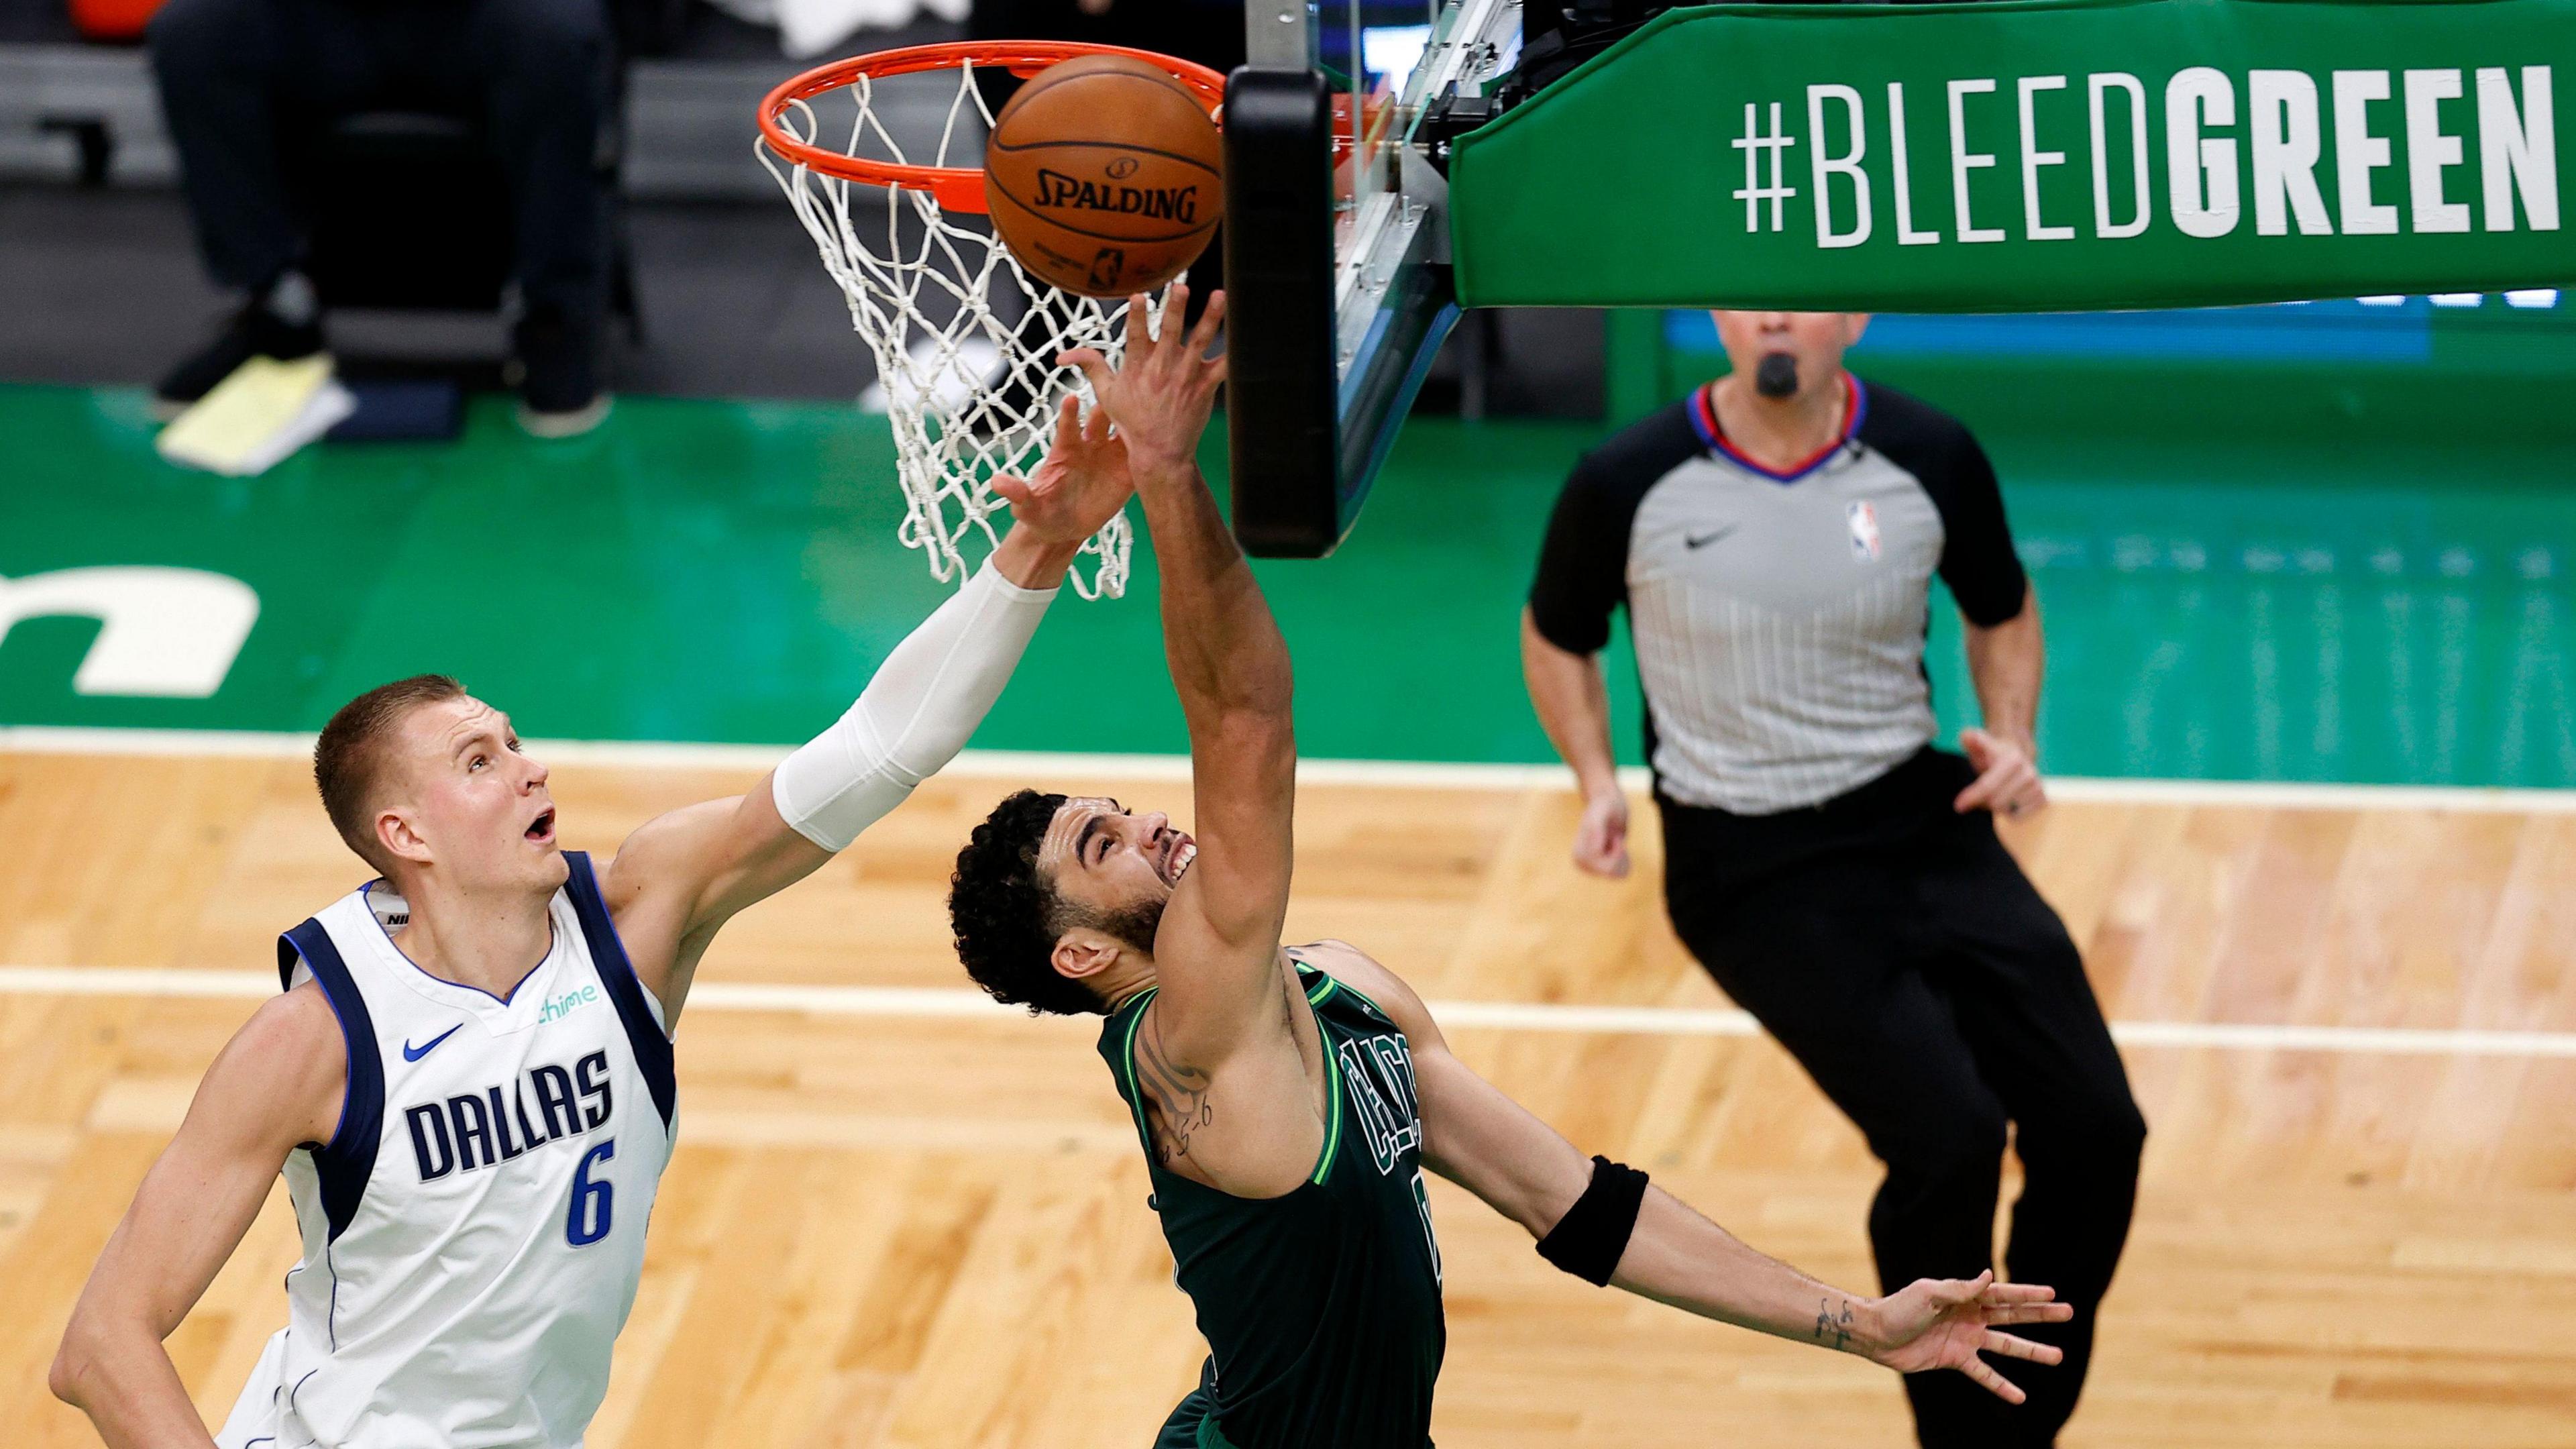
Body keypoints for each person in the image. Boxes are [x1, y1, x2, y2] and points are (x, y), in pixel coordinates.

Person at [946, 286, 2076, 1449]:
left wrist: (1862, 1325)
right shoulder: (1192, 1039)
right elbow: (1242, 721)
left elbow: (1574, 1204)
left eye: (1122, 811)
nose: (1147, 828)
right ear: (1080, 951)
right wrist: (1170, 473)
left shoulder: (1342, 990)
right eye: (1104, 846)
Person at [46, 402, 1133, 1448]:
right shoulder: (314, 1043)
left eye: (514, 742)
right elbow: (101, 1344)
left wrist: (1035, 556)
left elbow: (877, 751)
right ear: (404, 833)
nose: (530, 769)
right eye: (481, 762)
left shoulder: (636, 922)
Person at [1519, 309, 2148, 1447]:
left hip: (1922, 821)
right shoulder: (1629, 478)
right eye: (1750, 293)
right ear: (1715, 316)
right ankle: (1962, 1434)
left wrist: (2015, 733)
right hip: (1747, 864)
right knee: (1949, 1135)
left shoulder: (1930, 453)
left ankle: (2021, 1420)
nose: (1774, 315)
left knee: (2100, 1130)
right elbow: (1558, 631)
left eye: (1803, 295)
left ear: (1851, 316)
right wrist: (1598, 782)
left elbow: (2001, 607)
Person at [144, 0, 622, 435]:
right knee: (195, 34)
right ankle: (279, 308)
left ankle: (551, 318)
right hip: (331, 24)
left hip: (483, 21)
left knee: (553, 34)